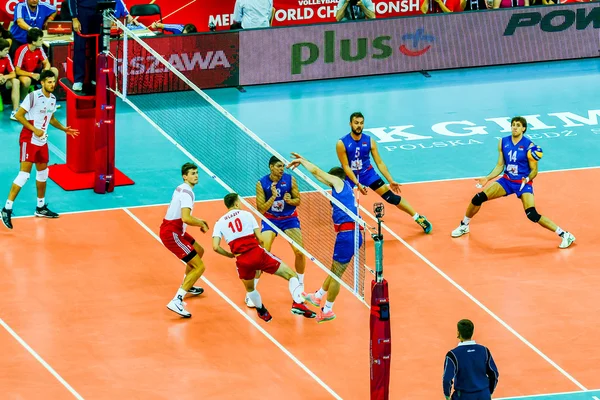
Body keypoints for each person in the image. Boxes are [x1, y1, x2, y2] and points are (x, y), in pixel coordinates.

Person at [451, 116, 575, 249]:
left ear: (523, 128)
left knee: (532, 214)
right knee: (478, 198)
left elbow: (534, 171)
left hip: (523, 183)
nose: (514, 127)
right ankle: (464, 225)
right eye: (513, 125)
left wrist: (526, 179)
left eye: (518, 125)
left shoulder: (530, 147)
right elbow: (500, 166)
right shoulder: (503, 142)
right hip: (507, 181)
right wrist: (488, 178)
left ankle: (565, 235)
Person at [212, 192, 316, 322]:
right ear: (237, 203)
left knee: (250, 290)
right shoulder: (247, 215)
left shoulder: (219, 222)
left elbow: (215, 247)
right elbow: (260, 240)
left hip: (241, 260)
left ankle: (262, 311)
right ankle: (297, 303)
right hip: (257, 253)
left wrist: (230, 255)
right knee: (292, 275)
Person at [287, 153, 364, 323]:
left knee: (337, 275)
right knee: (335, 270)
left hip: (348, 234)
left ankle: (328, 309)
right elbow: (317, 174)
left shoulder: (339, 182)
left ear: (335, 178)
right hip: (350, 234)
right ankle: (317, 296)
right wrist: (306, 160)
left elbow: (316, 171)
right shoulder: (345, 189)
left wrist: (302, 161)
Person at [1, 70, 79, 230]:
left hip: (42, 140)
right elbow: (19, 115)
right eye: (49, 82)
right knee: (24, 175)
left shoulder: (52, 99)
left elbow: (52, 118)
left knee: (43, 174)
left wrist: (64, 129)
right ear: (42, 82)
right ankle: (6, 209)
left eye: (53, 81)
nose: (52, 84)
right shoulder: (33, 96)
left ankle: (40, 207)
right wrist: (34, 129)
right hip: (29, 138)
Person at [336, 111, 432, 233]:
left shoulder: (370, 141)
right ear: (350, 124)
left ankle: (418, 217)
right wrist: (357, 183)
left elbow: (379, 163)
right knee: (339, 200)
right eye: (356, 123)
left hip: (367, 173)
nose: (359, 126)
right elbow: (345, 166)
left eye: (361, 123)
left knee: (391, 198)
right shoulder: (342, 143)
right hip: (350, 175)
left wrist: (390, 180)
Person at [250, 156, 305, 307]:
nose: (282, 169)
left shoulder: (290, 180)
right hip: (270, 220)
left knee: (300, 252)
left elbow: (298, 201)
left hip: (289, 219)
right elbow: (261, 209)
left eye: (283, 166)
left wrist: (290, 200)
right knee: (262, 253)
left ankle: (300, 287)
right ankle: (252, 291)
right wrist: (273, 196)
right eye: (279, 166)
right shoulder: (262, 184)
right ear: (271, 167)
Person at [159, 163, 209, 318]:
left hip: (176, 230)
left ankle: (188, 284)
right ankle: (177, 300)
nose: (196, 175)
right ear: (184, 176)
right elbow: (186, 218)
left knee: (199, 251)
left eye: (196, 173)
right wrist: (200, 223)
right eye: (192, 173)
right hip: (172, 233)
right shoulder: (187, 193)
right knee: (199, 267)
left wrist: (199, 220)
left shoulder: (180, 188)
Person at [443, 319, 499, 400]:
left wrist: (447, 396)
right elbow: (494, 373)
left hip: (464, 396)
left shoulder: (452, 354)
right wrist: (489, 392)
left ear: (458, 333)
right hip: (484, 394)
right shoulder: (484, 350)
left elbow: (447, 379)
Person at [14, 28, 59, 103]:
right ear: (34, 42)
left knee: (54, 71)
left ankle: (48, 98)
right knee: (27, 81)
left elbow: (46, 62)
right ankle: (24, 101)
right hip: (25, 74)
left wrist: (45, 71)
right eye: (40, 39)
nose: (42, 41)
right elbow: (17, 71)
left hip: (37, 72)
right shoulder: (22, 51)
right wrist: (31, 75)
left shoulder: (39, 47)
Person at [69, 0, 104, 91]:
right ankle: (78, 80)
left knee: (98, 47)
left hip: (99, 13)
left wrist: (109, 16)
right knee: (80, 47)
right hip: (82, 13)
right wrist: (74, 18)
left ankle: (95, 77)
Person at [0, 38, 20, 119]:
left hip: (2, 82)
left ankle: (15, 112)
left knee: (15, 81)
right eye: (5, 50)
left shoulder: (6, 56)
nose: (8, 52)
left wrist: (4, 77)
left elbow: (13, 74)